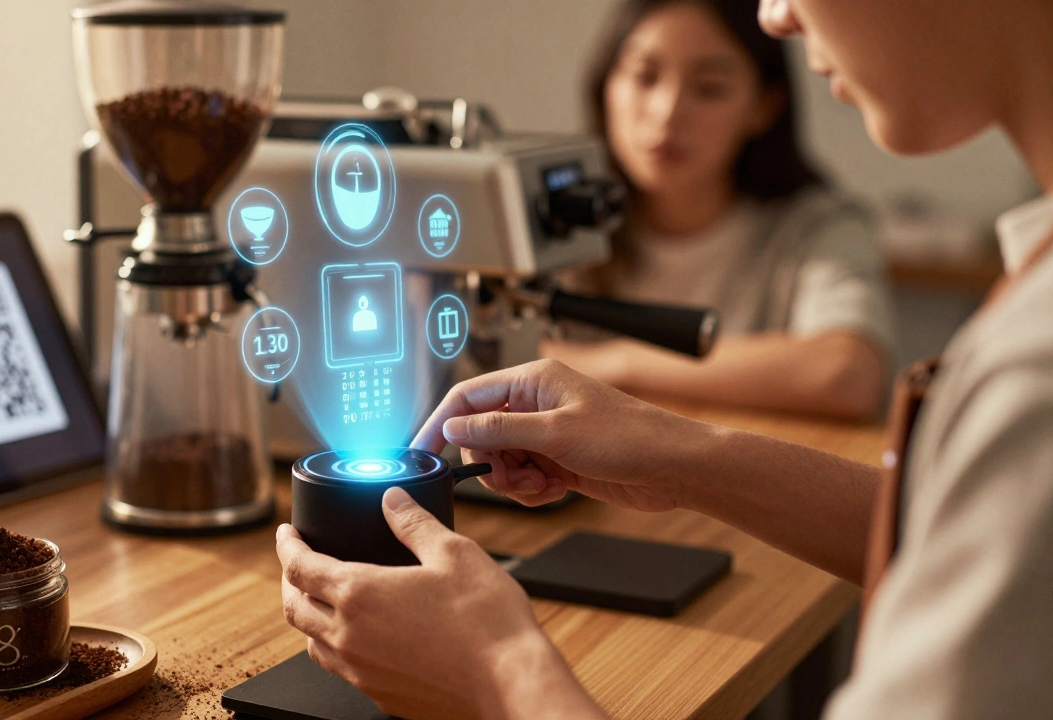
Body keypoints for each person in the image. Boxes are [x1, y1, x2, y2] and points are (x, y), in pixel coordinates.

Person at [276, 0, 1053, 717]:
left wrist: (499, 671)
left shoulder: (1033, 369)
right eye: (643, 75)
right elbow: (957, 529)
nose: (777, 14)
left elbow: (853, 378)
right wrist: (680, 457)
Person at [544, 0, 895, 421]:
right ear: (605, 86)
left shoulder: (817, 224)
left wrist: (614, 363)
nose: (667, 112)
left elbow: (846, 374)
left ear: (764, 106)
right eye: (644, 76)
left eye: (709, 88)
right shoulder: (553, 217)